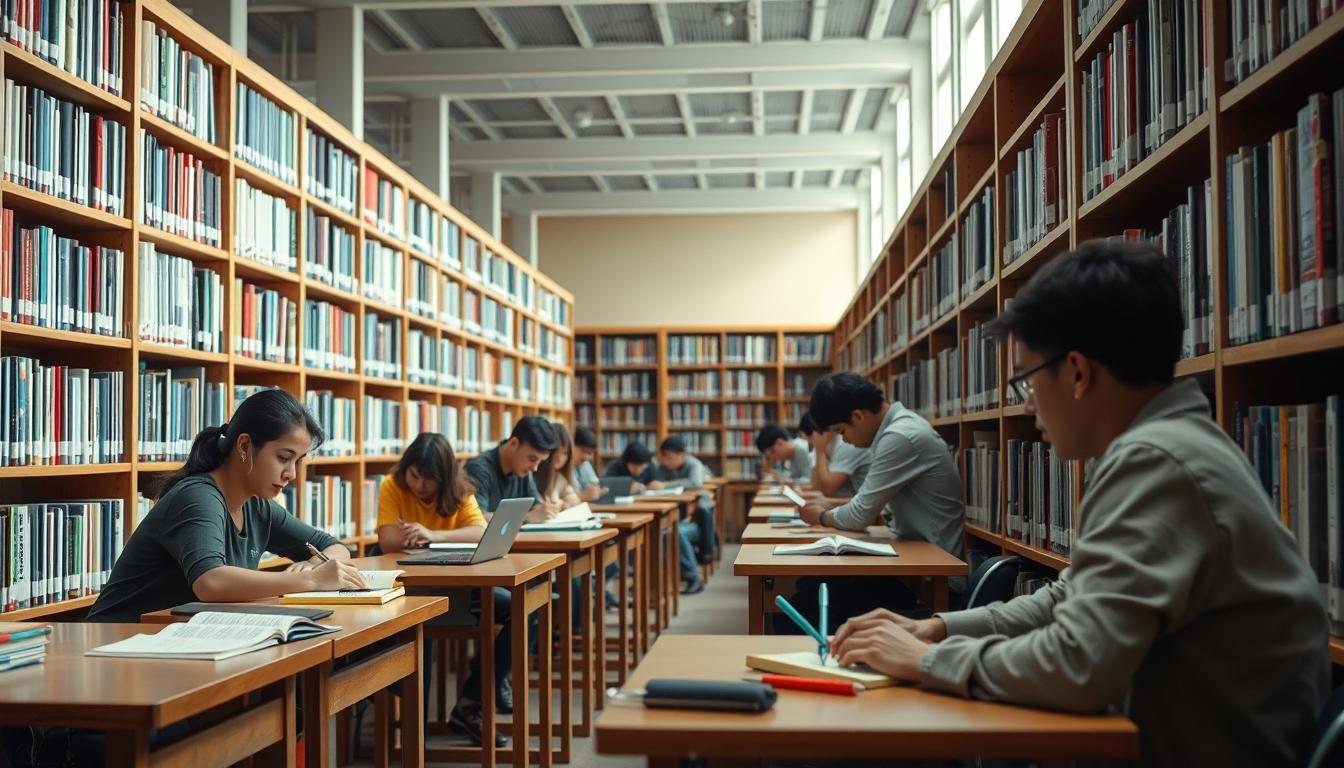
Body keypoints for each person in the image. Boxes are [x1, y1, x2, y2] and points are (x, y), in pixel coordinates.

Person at [829, 240, 1330, 768]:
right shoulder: (1171, 443)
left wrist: (930, 659)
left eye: (1025, 378)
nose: (1024, 403)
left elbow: (1079, 664)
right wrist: (938, 628)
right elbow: (1070, 597)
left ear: (1076, 372)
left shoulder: (1156, 461)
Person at [87, 388, 366, 623]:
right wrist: (313, 581)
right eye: (283, 457)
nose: (291, 474)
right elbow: (211, 582)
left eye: (298, 461)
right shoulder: (197, 496)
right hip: (116, 643)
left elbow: (333, 545)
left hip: (177, 642)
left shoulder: (257, 506)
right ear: (244, 446)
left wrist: (314, 564)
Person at [778, 371, 964, 632]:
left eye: (841, 431)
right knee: (810, 585)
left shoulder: (900, 436)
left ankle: (826, 665)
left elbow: (859, 516)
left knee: (806, 602)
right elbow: (867, 502)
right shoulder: (896, 429)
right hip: (914, 562)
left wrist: (821, 516)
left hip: (933, 579)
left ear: (857, 416)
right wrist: (833, 508)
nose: (844, 440)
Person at [375, 433, 510, 747]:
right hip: (412, 587)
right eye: (415, 475)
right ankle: (414, 736)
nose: (420, 485)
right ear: (405, 469)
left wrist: (429, 533)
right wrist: (430, 537)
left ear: (445, 477)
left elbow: (479, 531)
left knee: (520, 608)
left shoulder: (460, 489)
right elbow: (388, 542)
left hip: (462, 586)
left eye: (430, 479)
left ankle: (470, 702)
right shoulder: (392, 486)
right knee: (420, 625)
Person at [648, 436, 713, 594]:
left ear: (682, 455)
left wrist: (664, 485)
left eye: (669, 457)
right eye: (663, 457)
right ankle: (653, 579)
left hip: (696, 521)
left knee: (674, 532)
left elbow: (695, 483)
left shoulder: (694, 464)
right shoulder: (663, 467)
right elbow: (655, 483)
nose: (665, 461)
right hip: (673, 514)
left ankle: (692, 577)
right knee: (658, 532)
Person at [463, 416, 559, 522]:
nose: (535, 468)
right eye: (532, 459)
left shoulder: (523, 469)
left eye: (540, 461)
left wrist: (547, 510)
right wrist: (527, 517)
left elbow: (536, 506)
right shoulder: (478, 469)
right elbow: (477, 519)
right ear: (514, 443)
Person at [797, 413, 872, 497]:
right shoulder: (824, 445)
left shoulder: (846, 444)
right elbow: (816, 486)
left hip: (867, 504)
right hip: (855, 502)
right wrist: (819, 450)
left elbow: (827, 490)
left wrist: (820, 452)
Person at [534, 422, 582, 509]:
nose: (559, 458)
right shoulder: (531, 475)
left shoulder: (560, 478)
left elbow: (574, 500)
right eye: (556, 452)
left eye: (565, 453)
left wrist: (569, 502)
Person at [571, 427, 605, 502]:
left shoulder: (585, 464)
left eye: (591, 453)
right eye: (584, 451)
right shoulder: (562, 466)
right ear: (572, 446)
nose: (586, 457)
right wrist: (582, 495)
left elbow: (595, 485)